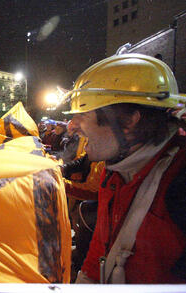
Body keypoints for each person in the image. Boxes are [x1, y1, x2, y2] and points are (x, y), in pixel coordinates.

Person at [62, 53, 186, 284]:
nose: (72, 127)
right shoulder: (115, 171)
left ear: (129, 122)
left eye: (84, 114)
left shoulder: (179, 182)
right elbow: (101, 248)